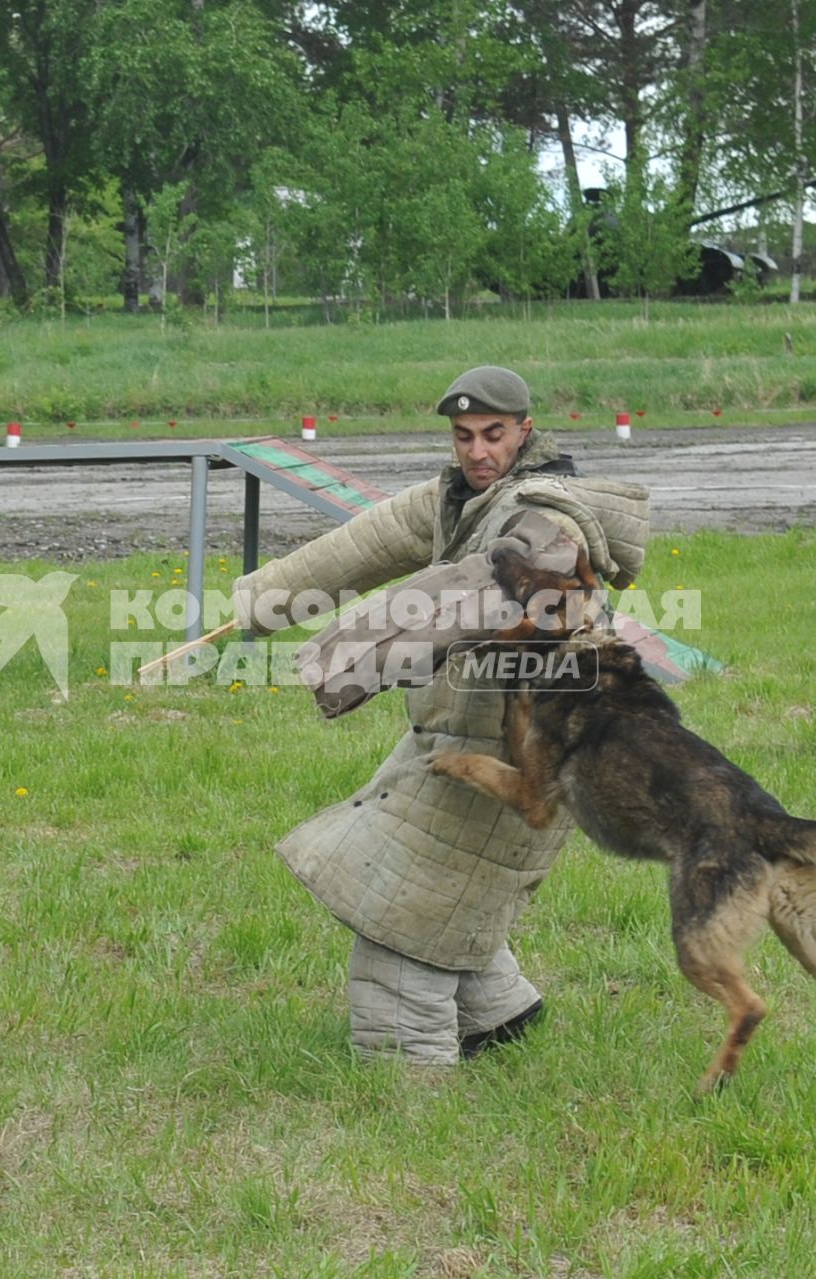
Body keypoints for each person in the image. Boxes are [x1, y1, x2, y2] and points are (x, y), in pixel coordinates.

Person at [233, 366, 649, 1064]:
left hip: (519, 753)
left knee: (399, 918)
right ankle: (498, 1014)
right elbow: (367, 543)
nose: (477, 452)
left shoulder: (546, 513)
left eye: (493, 435)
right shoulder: (458, 498)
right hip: (455, 738)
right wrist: (262, 600)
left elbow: (495, 581)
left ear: (525, 431)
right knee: (434, 893)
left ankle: (405, 1077)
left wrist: (353, 653)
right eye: (463, 437)